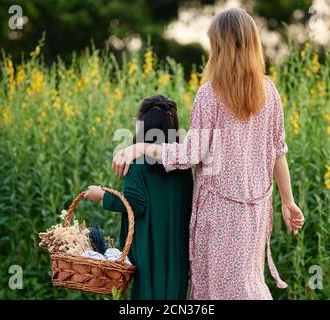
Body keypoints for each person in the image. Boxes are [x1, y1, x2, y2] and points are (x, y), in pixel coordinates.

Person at [111, 8, 305, 299]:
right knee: (246, 283)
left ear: (220, 47)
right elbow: (279, 151)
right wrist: (288, 201)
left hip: (218, 211)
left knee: (217, 289)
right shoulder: (269, 92)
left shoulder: (209, 94)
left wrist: (140, 146)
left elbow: (190, 154)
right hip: (255, 212)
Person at [85, 95, 193, 300]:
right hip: (177, 253)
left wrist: (102, 196)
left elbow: (135, 204)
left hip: (149, 253)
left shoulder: (136, 163)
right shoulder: (183, 167)